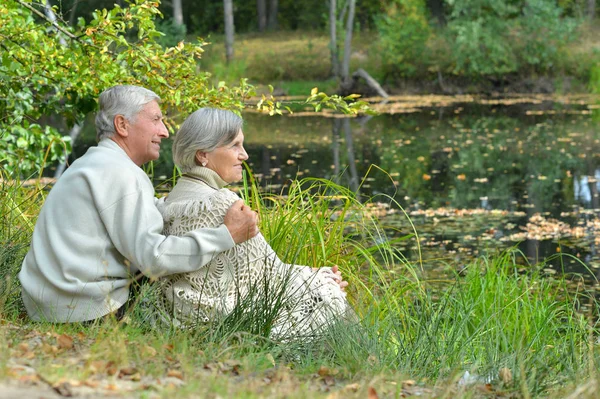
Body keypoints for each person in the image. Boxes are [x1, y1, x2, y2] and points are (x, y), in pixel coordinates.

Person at [18, 85, 259, 323]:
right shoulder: (123, 174)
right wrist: (226, 235)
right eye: (156, 119)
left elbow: (124, 213)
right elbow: (154, 259)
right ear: (122, 125)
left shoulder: (93, 163)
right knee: (179, 271)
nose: (164, 131)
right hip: (82, 310)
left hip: (46, 303)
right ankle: (217, 323)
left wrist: (168, 204)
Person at [157, 108, 352, 340]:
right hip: (221, 319)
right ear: (202, 155)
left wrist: (311, 274)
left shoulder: (168, 202)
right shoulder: (222, 203)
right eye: (235, 146)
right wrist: (324, 279)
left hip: (184, 315)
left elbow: (252, 271)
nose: (245, 155)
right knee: (332, 298)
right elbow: (273, 276)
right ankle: (367, 368)